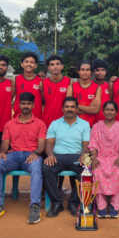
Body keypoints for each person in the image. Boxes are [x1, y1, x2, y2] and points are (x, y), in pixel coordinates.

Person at [0, 92, 47, 224]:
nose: (26, 106)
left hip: (31, 155)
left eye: (28, 103)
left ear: (33, 105)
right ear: (18, 105)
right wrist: (2, 152)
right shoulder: (9, 124)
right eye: (23, 103)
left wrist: (35, 152)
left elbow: (42, 144)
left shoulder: (40, 124)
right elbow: (5, 144)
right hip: (13, 156)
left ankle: (35, 205)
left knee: (36, 166)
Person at [43, 97, 90, 218]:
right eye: (67, 106)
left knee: (86, 169)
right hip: (58, 156)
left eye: (72, 107)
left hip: (77, 155)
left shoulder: (84, 124)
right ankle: (57, 203)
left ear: (77, 109)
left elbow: (86, 145)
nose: (69, 109)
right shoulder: (55, 124)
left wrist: (84, 154)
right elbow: (49, 144)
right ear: (63, 108)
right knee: (47, 167)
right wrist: (50, 155)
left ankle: (73, 202)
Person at [40, 55, 74, 194]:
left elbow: (69, 104)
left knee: (62, 154)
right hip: (47, 124)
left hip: (64, 125)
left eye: (58, 64)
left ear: (62, 66)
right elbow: (42, 102)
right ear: (48, 67)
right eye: (52, 64)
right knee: (47, 156)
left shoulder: (69, 82)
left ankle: (59, 188)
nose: (55, 66)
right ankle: (45, 189)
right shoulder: (43, 83)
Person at [89, 101, 119, 218]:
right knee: (96, 170)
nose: (109, 112)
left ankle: (114, 206)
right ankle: (101, 206)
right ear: (103, 111)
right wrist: (95, 157)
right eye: (107, 109)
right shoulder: (97, 126)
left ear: (116, 112)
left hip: (117, 156)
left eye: (112, 110)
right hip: (100, 156)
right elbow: (93, 144)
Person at [67, 60, 102, 127]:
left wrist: (75, 106)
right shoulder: (71, 87)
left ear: (91, 72)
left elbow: (96, 110)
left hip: (91, 126)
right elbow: (69, 110)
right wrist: (90, 107)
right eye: (82, 69)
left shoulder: (97, 88)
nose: (85, 72)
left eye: (87, 70)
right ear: (78, 71)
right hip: (74, 126)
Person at [13, 52, 43, 119]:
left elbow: (44, 101)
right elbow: (9, 99)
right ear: (22, 64)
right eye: (26, 62)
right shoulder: (15, 80)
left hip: (36, 119)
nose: (29, 64)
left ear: (36, 65)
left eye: (32, 62)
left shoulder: (41, 81)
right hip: (19, 119)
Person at [92, 59, 110, 124]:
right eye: (97, 70)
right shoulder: (88, 85)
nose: (100, 73)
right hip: (90, 122)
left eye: (102, 70)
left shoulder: (109, 86)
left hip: (106, 122)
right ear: (93, 72)